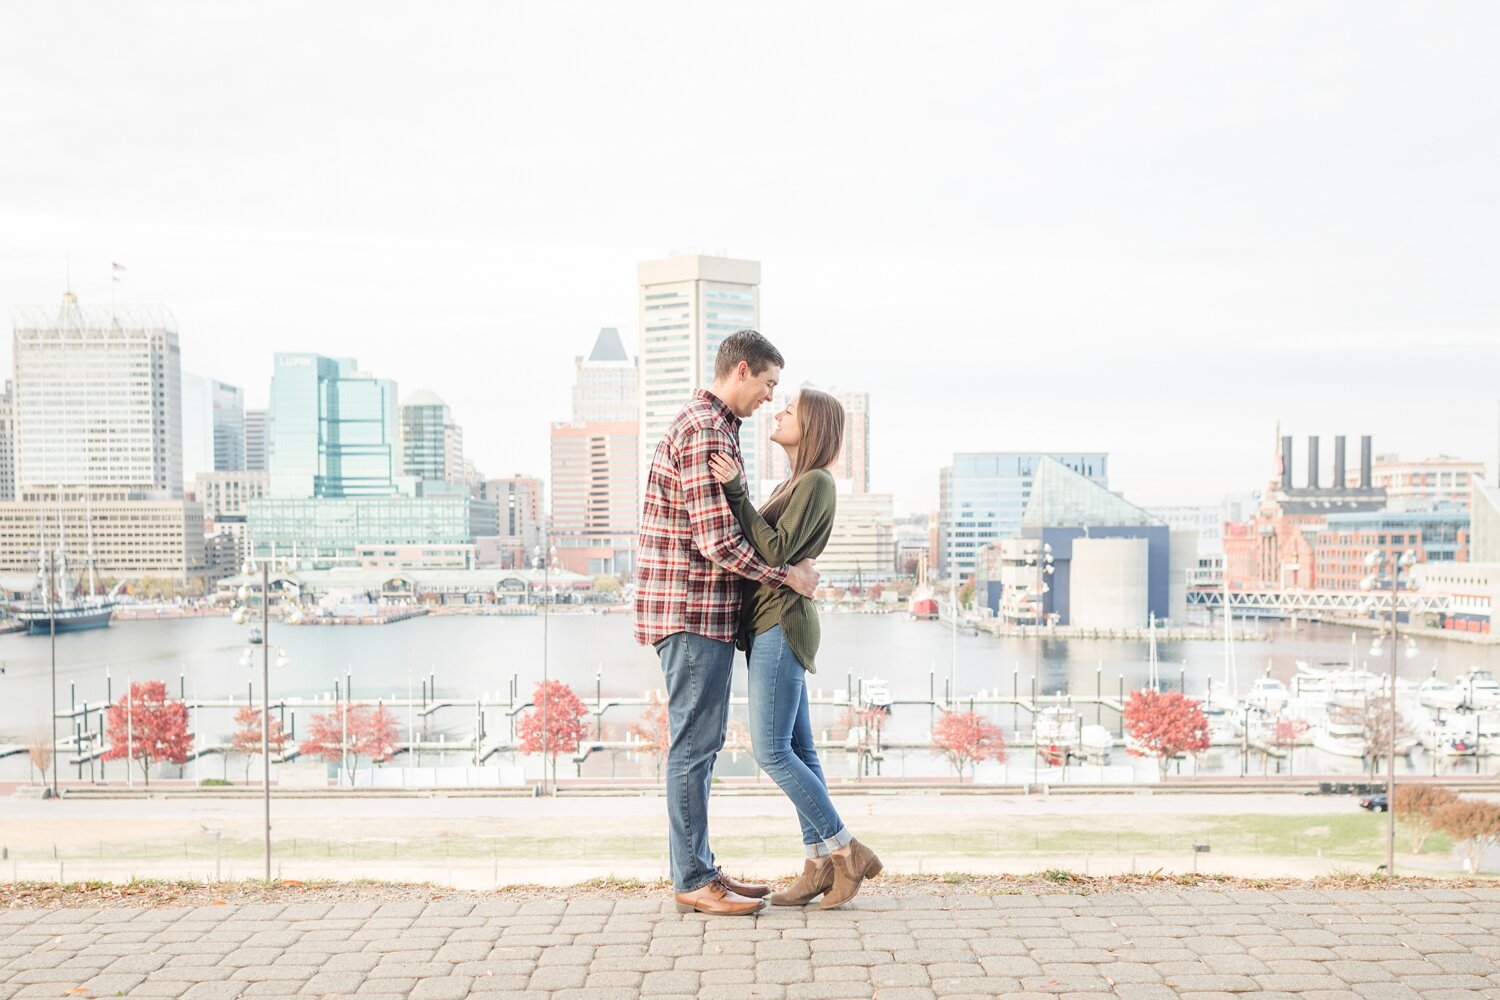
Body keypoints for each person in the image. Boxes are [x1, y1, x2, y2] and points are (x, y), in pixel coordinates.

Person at [634, 329, 821, 917]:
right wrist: (787, 575)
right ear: (742, 371)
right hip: (691, 611)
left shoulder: (717, 429)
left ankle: (701, 868)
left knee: (703, 745)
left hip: (704, 613)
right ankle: (692, 879)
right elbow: (716, 540)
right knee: (693, 747)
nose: (771, 397)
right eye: (768, 384)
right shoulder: (703, 429)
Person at [708, 387, 883, 909]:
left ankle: (846, 850)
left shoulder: (816, 482)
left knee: (771, 750)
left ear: (812, 428)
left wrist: (737, 492)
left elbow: (778, 549)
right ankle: (817, 868)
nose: (778, 412)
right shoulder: (795, 482)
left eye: (790, 411)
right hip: (774, 623)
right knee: (802, 750)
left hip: (780, 626)